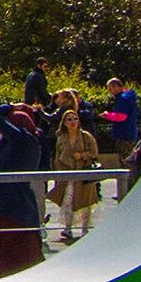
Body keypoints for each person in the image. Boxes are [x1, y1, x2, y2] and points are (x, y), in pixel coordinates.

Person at [0, 98, 51, 281]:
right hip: (17, 205)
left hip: (6, 206)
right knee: (23, 252)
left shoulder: (20, 139)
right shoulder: (31, 140)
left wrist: (9, 106)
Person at [50, 98, 103, 244]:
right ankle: (67, 227)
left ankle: (85, 227)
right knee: (67, 201)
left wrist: (83, 155)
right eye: (69, 119)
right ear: (64, 123)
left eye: (75, 119)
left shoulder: (86, 136)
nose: (73, 121)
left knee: (85, 202)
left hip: (83, 173)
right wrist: (58, 174)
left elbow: (94, 152)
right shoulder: (61, 138)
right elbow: (57, 156)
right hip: (67, 174)